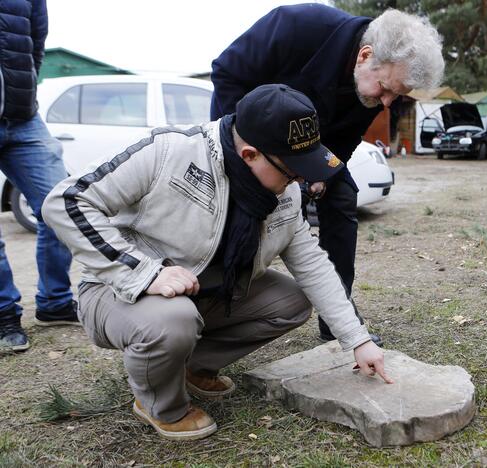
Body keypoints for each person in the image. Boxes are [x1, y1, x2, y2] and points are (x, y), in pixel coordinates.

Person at [42, 84, 391, 441]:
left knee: (293, 301)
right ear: (251, 154)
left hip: (201, 292)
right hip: (117, 290)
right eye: (291, 170)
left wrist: (356, 340)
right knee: (173, 320)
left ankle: (188, 366)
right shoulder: (169, 152)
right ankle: (161, 404)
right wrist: (143, 273)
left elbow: (313, 265)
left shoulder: (283, 193)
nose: (300, 180)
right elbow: (66, 201)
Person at [210, 5, 444, 345]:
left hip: (309, 153)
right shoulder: (297, 27)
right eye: (386, 88)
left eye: (398, 94)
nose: (388, 103)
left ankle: (338, 317)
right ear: (365, 55)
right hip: (247, 144)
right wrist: (246, 152)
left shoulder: (374, 90)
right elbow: (226, 72)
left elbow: (347, 138)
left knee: (343, 194)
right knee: (245, 217)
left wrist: (323, 175)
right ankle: (216, 312)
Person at [0, 0, 77, 351]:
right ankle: (4, 315)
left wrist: (24, 88)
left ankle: (55, 302)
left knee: (61, 205)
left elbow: (36, 42)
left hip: (23, 117)